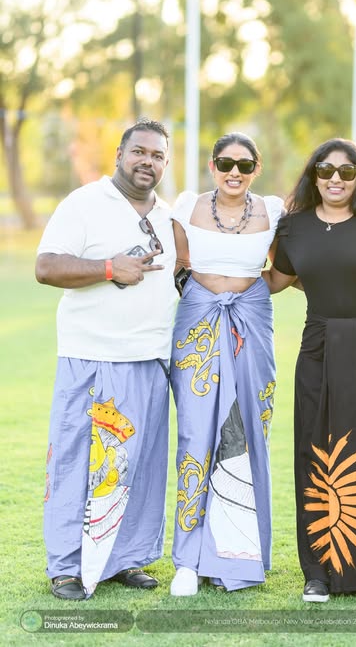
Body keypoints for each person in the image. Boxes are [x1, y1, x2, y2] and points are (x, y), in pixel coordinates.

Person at [36, 118, 177, 600]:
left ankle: (125, 559)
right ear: (119, 154)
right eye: (139, 152)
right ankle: (66, 566)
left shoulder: (167, 216)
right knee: (77, 461)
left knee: (138, 465)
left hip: (149, 358)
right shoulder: (84, 203)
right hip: (92, 356)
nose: (147, 162)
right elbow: (46, 266)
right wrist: (109, 268)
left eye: (157, 155)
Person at [263, 139, 356, 602]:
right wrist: (203, 272)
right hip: (319, 347)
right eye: (325, 170)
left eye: (346, 171)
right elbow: (275, 281)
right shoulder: (293, 227)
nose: (335, 179)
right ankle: (319, 569)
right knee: (316, 451)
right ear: (313, 176)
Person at [169, 132, 284, 596]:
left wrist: (245, 294)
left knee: (247, 428)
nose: (234, 172)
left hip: (252, 323)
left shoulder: (274, 212)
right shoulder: (185, 207)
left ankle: (238, 553)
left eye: (245, 164)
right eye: (225, 163)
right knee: (196, 432)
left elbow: (285, 270)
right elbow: (179, 263)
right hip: (197, 323)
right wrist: (205, 296)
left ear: (257, 168)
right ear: (212, 166)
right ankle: (188, 560)